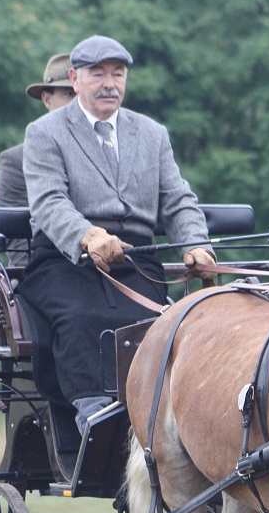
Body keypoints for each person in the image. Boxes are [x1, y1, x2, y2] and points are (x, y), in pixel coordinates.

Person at [18, 34, 215, 446]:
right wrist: (87, 235)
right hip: (64, 260)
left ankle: (168, 415)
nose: (110, 83)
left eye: (118, 74)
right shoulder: (45, 132)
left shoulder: (152, 133)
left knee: (168, 323)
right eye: (98, 74)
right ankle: (94, 415)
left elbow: (178, 199)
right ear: (74, 79)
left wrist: (196, 245)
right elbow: (49, 202)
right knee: (80, 318)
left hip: (137, 258)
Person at [0, 53, 77, 265]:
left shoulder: (109, 153)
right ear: (47, 99)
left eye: (81, 95)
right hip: (42, 270)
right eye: (69, 93)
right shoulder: (15, 161)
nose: (77, 104)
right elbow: (17, 243)